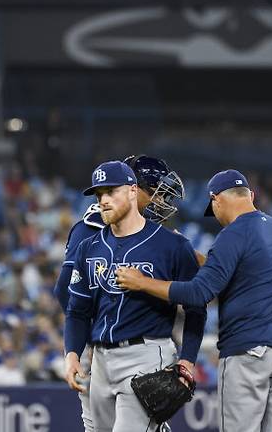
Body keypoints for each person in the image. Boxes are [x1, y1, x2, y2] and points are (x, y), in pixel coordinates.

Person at [116, 169, 272, 432]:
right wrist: (194, 256)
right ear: (249, 195)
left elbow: (199, 293)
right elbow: (245, 273)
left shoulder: (232, 234)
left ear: (216, 199)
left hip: (252, 350)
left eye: (213, 208)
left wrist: (142, 282)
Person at [63, 161, 206, 432]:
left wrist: (187, 359)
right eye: (99, 194)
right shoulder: (88, 247)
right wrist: (71, 354)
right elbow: (77, 311)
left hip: (148, 355)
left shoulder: (173, 245)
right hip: (101, 360)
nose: (104, 200)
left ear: (132, 190)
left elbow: (196, 308)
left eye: (111, 192)